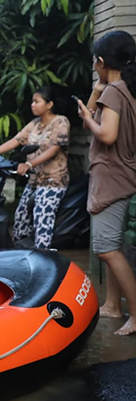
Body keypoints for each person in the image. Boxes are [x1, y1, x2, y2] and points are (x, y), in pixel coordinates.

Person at [77, 30, 136, 336]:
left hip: (111, 178)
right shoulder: (123, 89)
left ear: (100, 61)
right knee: (114, 247)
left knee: (106, 249)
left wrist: (89, 120)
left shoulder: (115, 93)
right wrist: (99, 89)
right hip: (123, 176)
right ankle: (113, 305)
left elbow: (106, 134)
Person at [0, 87, 70, 249]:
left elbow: (55, 148)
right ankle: (19, 252)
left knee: (42, 219)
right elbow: (15, 141)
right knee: (20, 217)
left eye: (37, 101)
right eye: (32, 101)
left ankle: (43, 255)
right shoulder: (34, 124)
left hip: (52, 181)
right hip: (34, 180)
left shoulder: (60, 121)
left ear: (49, 104)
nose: (32, 105)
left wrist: (29, 164)